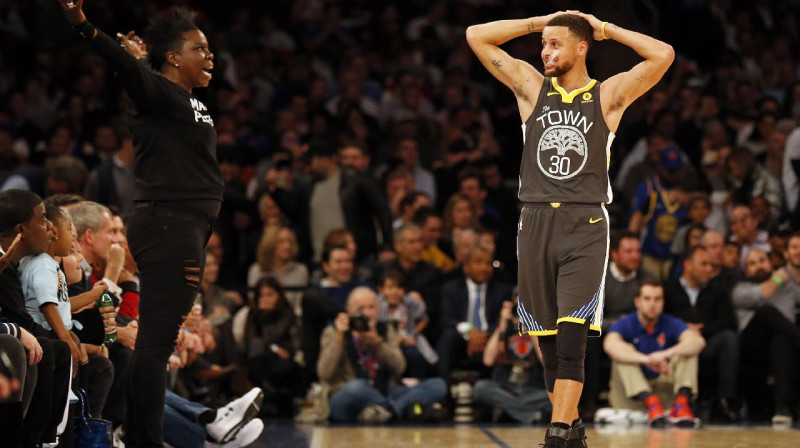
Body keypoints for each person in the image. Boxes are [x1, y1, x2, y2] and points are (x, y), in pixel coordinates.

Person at [467, 10, 674, 447]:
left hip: (586, 222)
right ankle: (575, 431)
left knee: (572, 337)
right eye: (544, 43)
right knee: (546, 341)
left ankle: (557, 435)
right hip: (535, 219)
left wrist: (605, 29)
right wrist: (538, 22)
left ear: (582, 48)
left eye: (556, 43)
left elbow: (662, 54)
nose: (546, 50)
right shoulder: (530, 88)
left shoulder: (607, 96)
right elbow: (476, 36)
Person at [56, 3, 224, 446]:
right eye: (199, 49)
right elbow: (127, 72)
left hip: (181, 225)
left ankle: (144, 438)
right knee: (155, 345)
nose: (210, 57)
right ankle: (145, 441)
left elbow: (138, 79)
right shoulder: (159, 93)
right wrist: (85, 26)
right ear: (173, 57)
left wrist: (139, 63)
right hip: (170, 224)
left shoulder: (181, 100)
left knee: (154, 342)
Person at [317, 287, 447, 423]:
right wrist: (339, 338)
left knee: (438, 385)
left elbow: (399, 367)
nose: (367, 313)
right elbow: (324, 373)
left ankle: (385, 411)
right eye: (360, 309)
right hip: (349, 393)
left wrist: (378, 344)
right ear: (349, 312)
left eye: (371, 307)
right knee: (356, 387)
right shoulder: (334, 332)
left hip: (383, 390)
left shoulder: (386, 330)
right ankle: (398, 409)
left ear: (378, 310)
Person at [604, 279, 705, 427]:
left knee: (688, 350)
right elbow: (610, 345)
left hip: (664, 395)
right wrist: (647, 360)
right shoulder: (626, 323)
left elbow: (698, 342)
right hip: (632, 400)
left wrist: (665, 354)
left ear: (663, 302)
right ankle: (650, 401)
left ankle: (681, 404)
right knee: (623, 352)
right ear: (637, 302)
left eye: (657, 299)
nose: (652, 304)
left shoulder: (670, 322)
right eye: (647, 299)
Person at [663, 245, 739, 421]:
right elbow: (660, 318)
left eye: (711, 265)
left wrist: (700, 331)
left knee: (729, 338)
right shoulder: (668, 289)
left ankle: (726, 401)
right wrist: (682, 328)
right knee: (687, 348)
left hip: (707, 343)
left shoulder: (718, 291)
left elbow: (729, 322)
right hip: (676, 346)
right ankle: (682, 402)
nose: (709, 269)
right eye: (704, 264)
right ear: (688, 265)